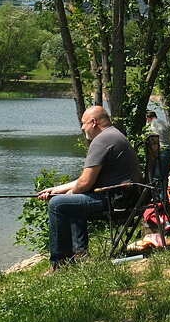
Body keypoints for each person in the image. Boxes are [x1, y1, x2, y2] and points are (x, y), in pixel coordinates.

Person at [38, 106, 142, 270]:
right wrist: (57, 189)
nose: (82, 127)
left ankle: (59, 263)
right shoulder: (114, 135)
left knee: (57, 205)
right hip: (127, 198)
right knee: (68, 201)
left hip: (116, 202)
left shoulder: (101, 141)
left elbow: (85, 182)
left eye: (84, 123)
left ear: (94, 122)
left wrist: (69, 194)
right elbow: (86, 179)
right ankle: (79, 252)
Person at [146, 109, 170, 200]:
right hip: (169, 151)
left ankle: (159, 200)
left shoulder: (150, 125)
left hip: (160, 152)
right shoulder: (166, 124)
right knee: (165, 176)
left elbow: (150, 140)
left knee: (157, 178)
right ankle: (165, 198)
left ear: (148, 118)